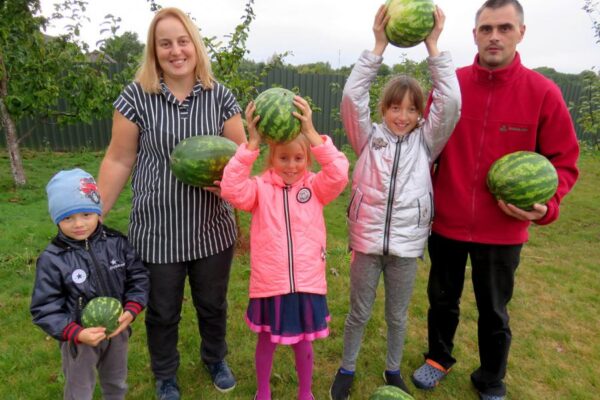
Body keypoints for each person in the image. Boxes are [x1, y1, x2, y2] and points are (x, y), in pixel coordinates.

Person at [410, 1, 580, 399]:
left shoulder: (543, 93)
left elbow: (565, 163)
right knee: (442, 300)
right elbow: (424, 149)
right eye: (486, 29)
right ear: (474, 35)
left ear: (521, 32)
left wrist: (547, 206)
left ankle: (491, 377)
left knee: (494, 311)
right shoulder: (452, 85)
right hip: (447, 221)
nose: (494, 36)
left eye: (504, 28)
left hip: (503, 229)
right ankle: (438, 358)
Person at [96, 7, 247, 400]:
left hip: (211, 228)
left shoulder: (220, 96)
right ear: (155, 50)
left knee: (212, 304)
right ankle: (166, 374)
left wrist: (230, 185)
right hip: (157, 230)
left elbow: (243, 156)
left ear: (194, 46)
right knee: (162, 311)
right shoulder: (135, 97)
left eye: (182, 41)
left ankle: (215, 357)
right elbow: (118, 158)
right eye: (165, 43)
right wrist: (96, 215)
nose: (175, 50)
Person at [329, 4, 461, 400]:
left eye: (411, 109)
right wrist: (378, 45)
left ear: (422, 114)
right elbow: (353, 97)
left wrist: (433, 46)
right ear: (383, 109)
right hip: (367, 243)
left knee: (398, 316)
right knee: (358, 313)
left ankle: (392, 370)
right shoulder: (368, 139)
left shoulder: (426, 143)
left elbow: (451, 102)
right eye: (394, 107)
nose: (402, 115)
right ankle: (346, 368)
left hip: (406, 248)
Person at [219, 96, 349, 400]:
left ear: (309, 159)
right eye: (283, 158)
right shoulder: (259, 189)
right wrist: (251, 145)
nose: (291, 165)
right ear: (271, 159)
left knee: (304, 342)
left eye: (299, 158)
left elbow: (340, 173)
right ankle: (263, 391)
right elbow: (230, 188)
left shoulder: (316, 187)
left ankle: (306, 392)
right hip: (271, 283)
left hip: (306, 282)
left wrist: (314, 136)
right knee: (267, 340)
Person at [30, 168, 150, 400]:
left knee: (116, 383)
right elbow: (44, 308)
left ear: (98, 212)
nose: (79, 224)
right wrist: (75, 332)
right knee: (79, 390)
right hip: (78, 338)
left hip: (117, 330)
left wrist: (132, 308)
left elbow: (139, 278)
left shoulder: (117, 243)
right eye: (68, 218)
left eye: (86, 214)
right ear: (57, 219)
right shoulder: (53, 259)